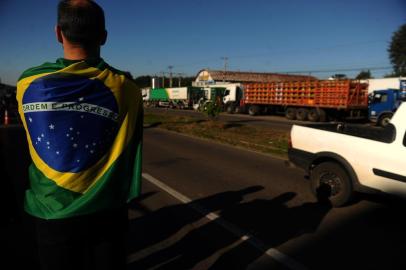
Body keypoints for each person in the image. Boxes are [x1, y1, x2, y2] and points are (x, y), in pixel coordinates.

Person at [16, 1, 143, 269]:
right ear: (104, 37)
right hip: (106, 210)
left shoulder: (27, 83)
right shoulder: (128, 88)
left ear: (58, 33)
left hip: (50, 210)